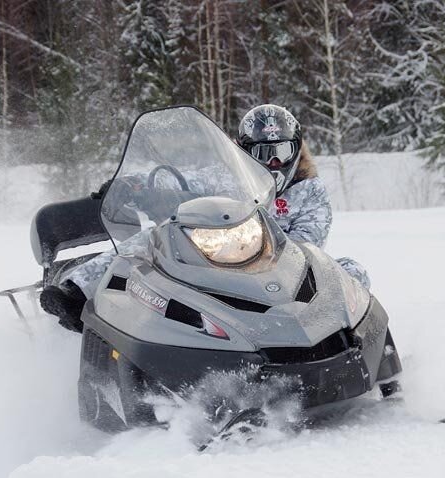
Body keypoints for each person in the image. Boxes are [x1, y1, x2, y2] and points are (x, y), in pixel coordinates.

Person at [40, 104, 369, 332]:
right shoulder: (227, 176)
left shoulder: (309, 191)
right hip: (220, 260)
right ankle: (77, 292)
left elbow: (309, 243)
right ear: (242, 152)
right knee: (153, 238)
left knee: (352, 272)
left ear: (296, 151)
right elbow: (188, 181)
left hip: (283, 272)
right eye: (259, 155)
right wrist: (136, 186)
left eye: (279, 154)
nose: (271, 165)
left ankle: (347, 336)